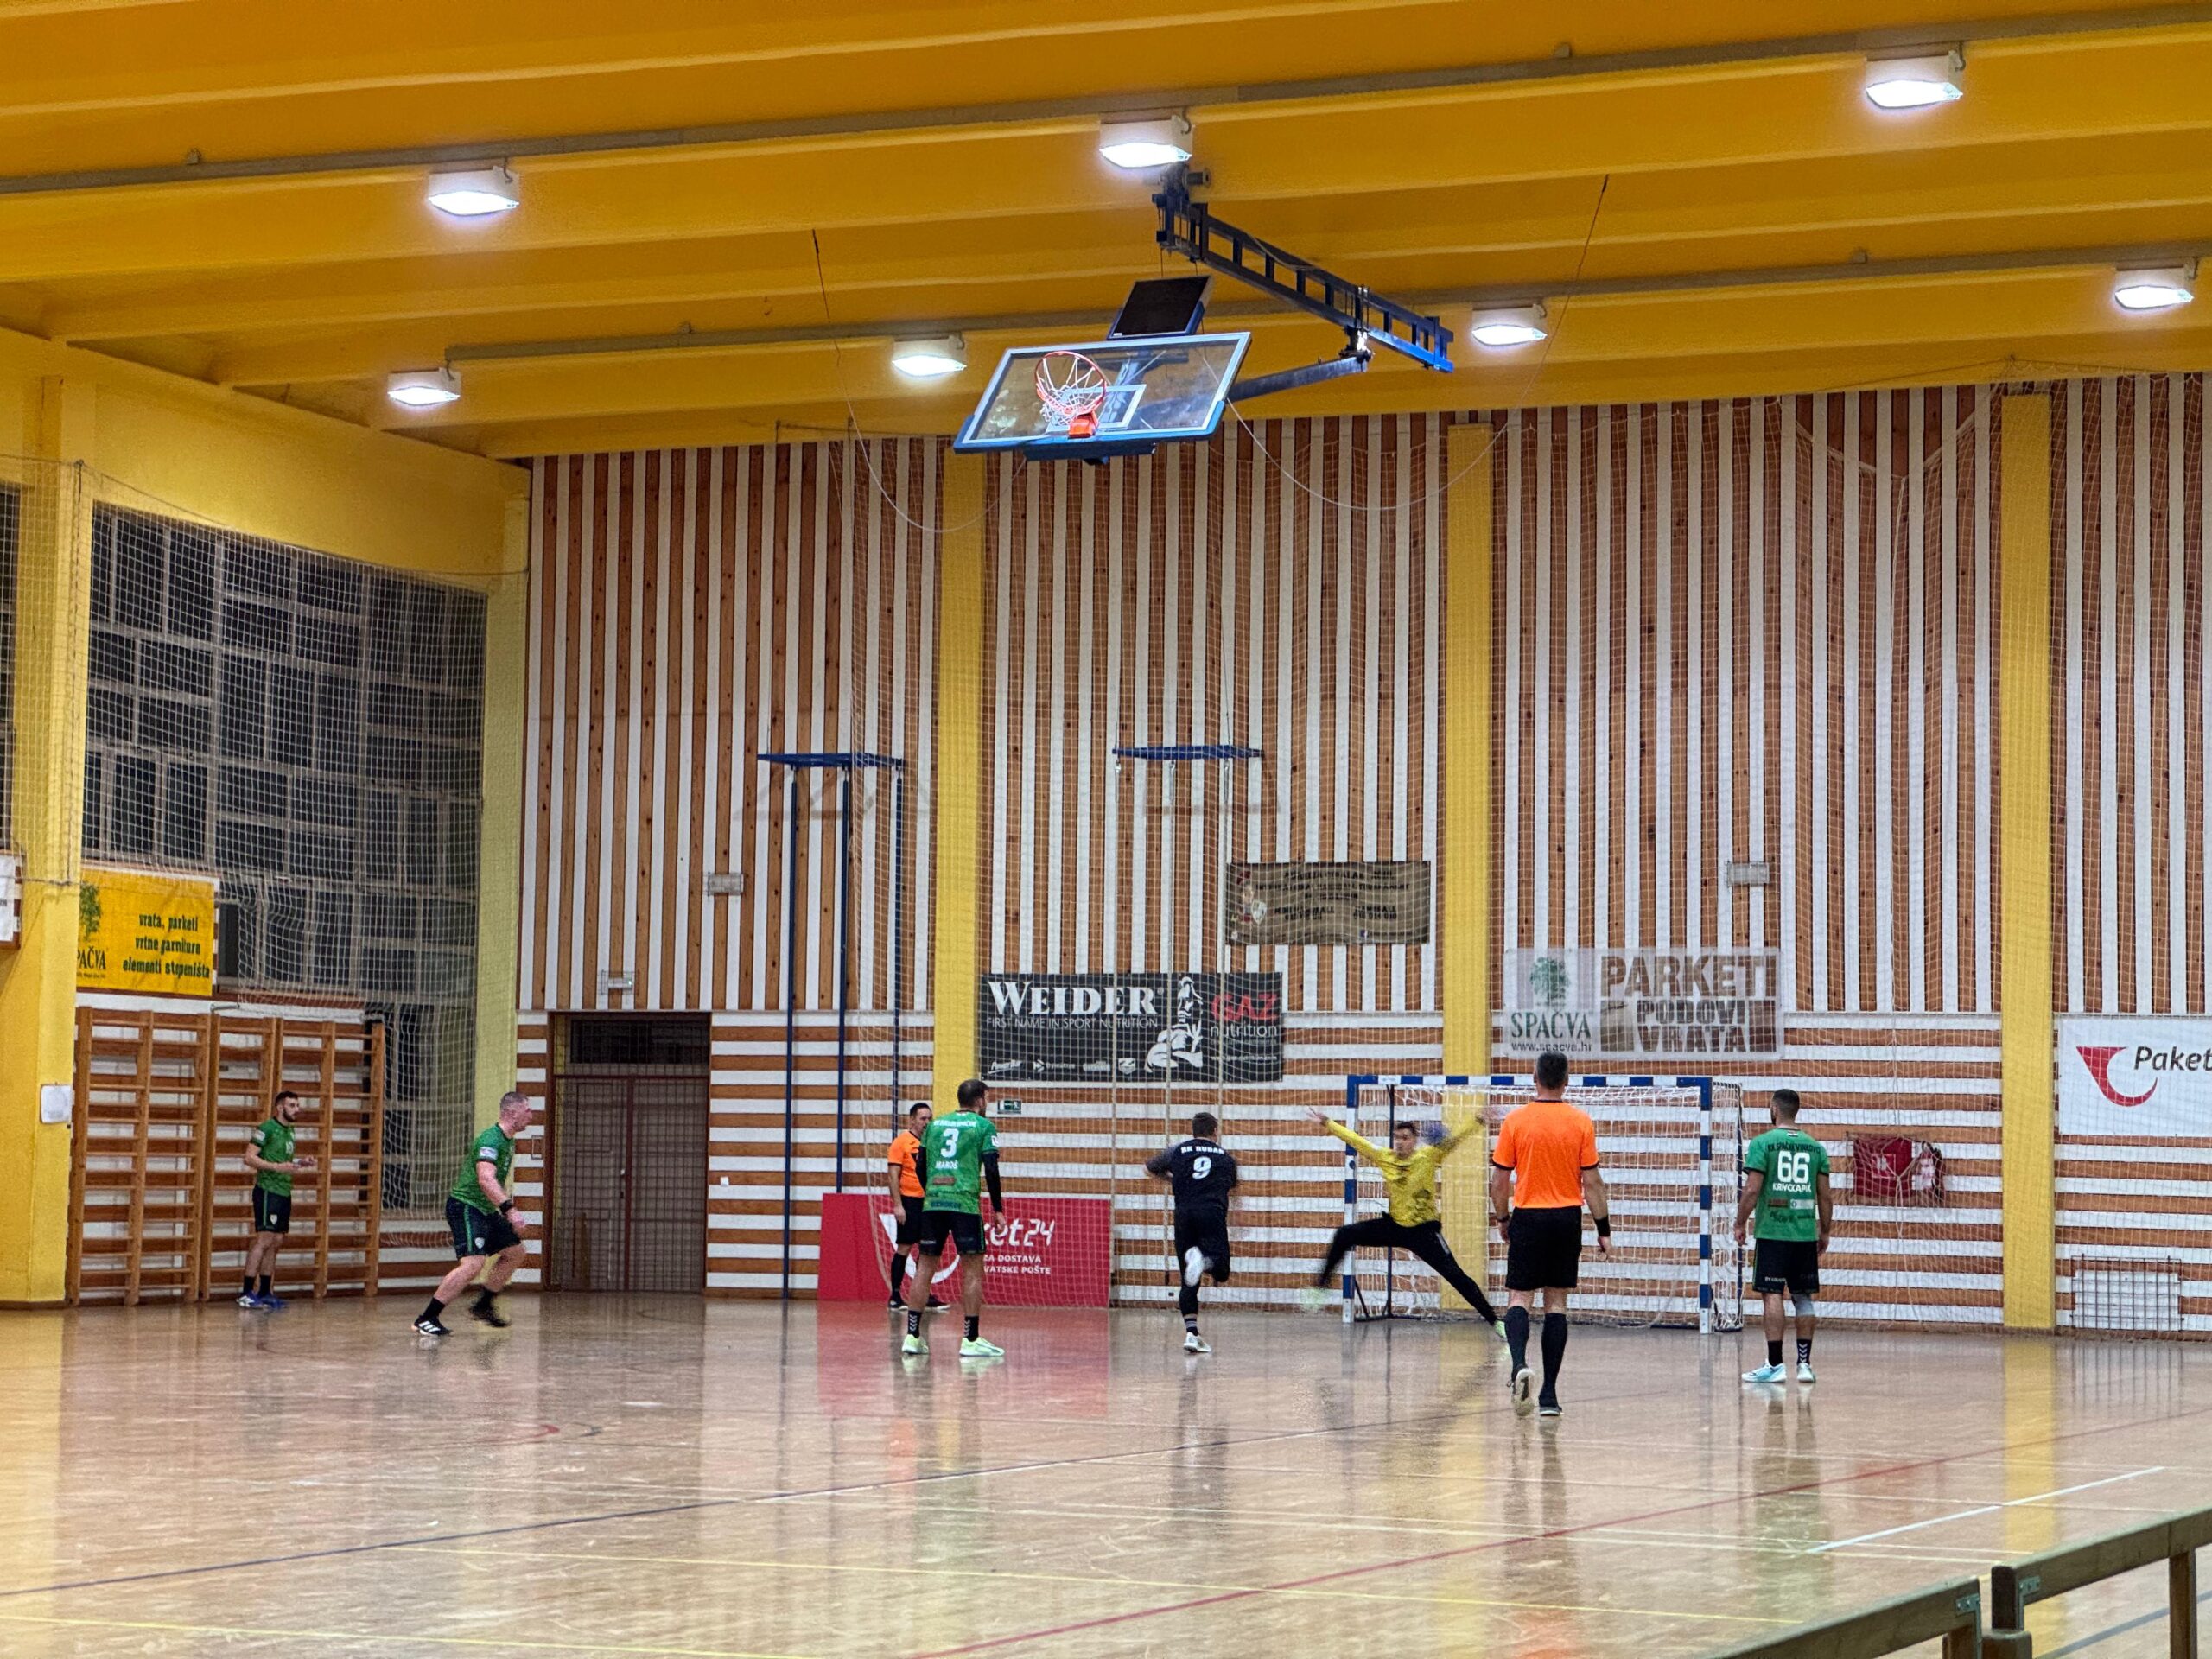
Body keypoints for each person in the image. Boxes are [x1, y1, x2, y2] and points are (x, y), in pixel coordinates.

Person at [1300, 1104, 1500, 1331]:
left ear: (1414, 1140)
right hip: (1394, 1226)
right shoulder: (1385, 1157)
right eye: (1396, 1137)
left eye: (1405, 1138)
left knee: (1456, 1276)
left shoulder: (1428, 1156)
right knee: (1344, 1234)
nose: (1399, 1142)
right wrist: (1328, 1123)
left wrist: (1477, 1120)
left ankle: (1495, 1321)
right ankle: (1320, 1287)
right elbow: (1356, 1140)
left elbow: (1454, 1140)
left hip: (1423, 1231)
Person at [1488, 1052, 1610, 1420]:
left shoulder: (1516, 1120)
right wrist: (1603, 1229)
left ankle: (1519, 1366)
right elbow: (1592, 1182)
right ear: (1566, 1081)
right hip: (1565, 1218)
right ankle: (1550, 1397)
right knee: (1556, 1303)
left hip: (1528, 1216)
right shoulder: (1580, 1122)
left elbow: (1499, 1181)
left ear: (1534, 1078)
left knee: (1519, 1298)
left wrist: (1503, 1218)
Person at [416, 1091, 535, 1337]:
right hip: (466, 1206)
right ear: (512, 1113)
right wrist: (509, 1209)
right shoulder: (491, 1140)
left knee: (515, 1252)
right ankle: (426, 1318)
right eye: (527, 1110)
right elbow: (485, 1179)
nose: (531, 1116)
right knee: (473, 1264)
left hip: (484, 1209)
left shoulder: (508, 1140)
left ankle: (483, 1305)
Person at [1735, 1089, 1832, 1386]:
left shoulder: (1762, 1143)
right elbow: (1825, 1196)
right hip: (1804, 1234)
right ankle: (1804, 1365)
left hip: (1773, 1232)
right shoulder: (1816, 1148)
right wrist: (1825, 1230)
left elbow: (1752, 1189)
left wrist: (1740, 1222)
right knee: (1803, 1297)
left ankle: (1775, 1364)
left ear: (1774, 1109)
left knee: (1772, 1294)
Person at [902, 1079, 1004, 1361]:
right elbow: (991, 1168)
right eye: (986, 1098)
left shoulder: (935, 1125)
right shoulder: (984, 1126)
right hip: (964, 1204)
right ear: (980, 1100)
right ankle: (970, 1339)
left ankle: (912, 1336)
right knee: (972, 1270)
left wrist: (931, 1191)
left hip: (933, 1204)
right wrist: (998, 1209)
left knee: (924, 1267)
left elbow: (920, 1165)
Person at [1145, 1111, 1239, 1354]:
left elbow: (1149, 1168)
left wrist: (1175, 1180)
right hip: (1211, 1213)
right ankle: (1204, 1261)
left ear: (1193, 1131)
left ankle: (1192, 1334)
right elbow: (1231, 1186)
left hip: (1183, 1215)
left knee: (1188, 1279)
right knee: (1221, 1269)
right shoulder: (1226, 1158)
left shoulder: (1178, 1150)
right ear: (1215, 1131)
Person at [239, 1090, 315, 1309]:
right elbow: (249, 1158)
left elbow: (283, 1161)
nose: (297, 1109)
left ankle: (265, 1291)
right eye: (292, 1105)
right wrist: (275, 1167)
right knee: (264, 1240)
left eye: (297, 1105)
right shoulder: (267, 1129)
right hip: (268, 1190)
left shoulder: (290, 1131)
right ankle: (246, 1292)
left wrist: (300, 1162)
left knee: (276, 1241)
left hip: (284, 1191)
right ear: (280, 1107)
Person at [886, 1103, 946, 1312]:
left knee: (927, 1248)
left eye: (930, 1118)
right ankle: (895, 1296)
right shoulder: (901, 1142)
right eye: (923, 1118)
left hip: (928, 1202)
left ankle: (924, 1295)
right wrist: (898, 1205)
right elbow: (893, 1176)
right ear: (912, 1120)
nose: (927, 1122)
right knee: (904, 1247)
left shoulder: (932, 1142)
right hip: (909, 1201)